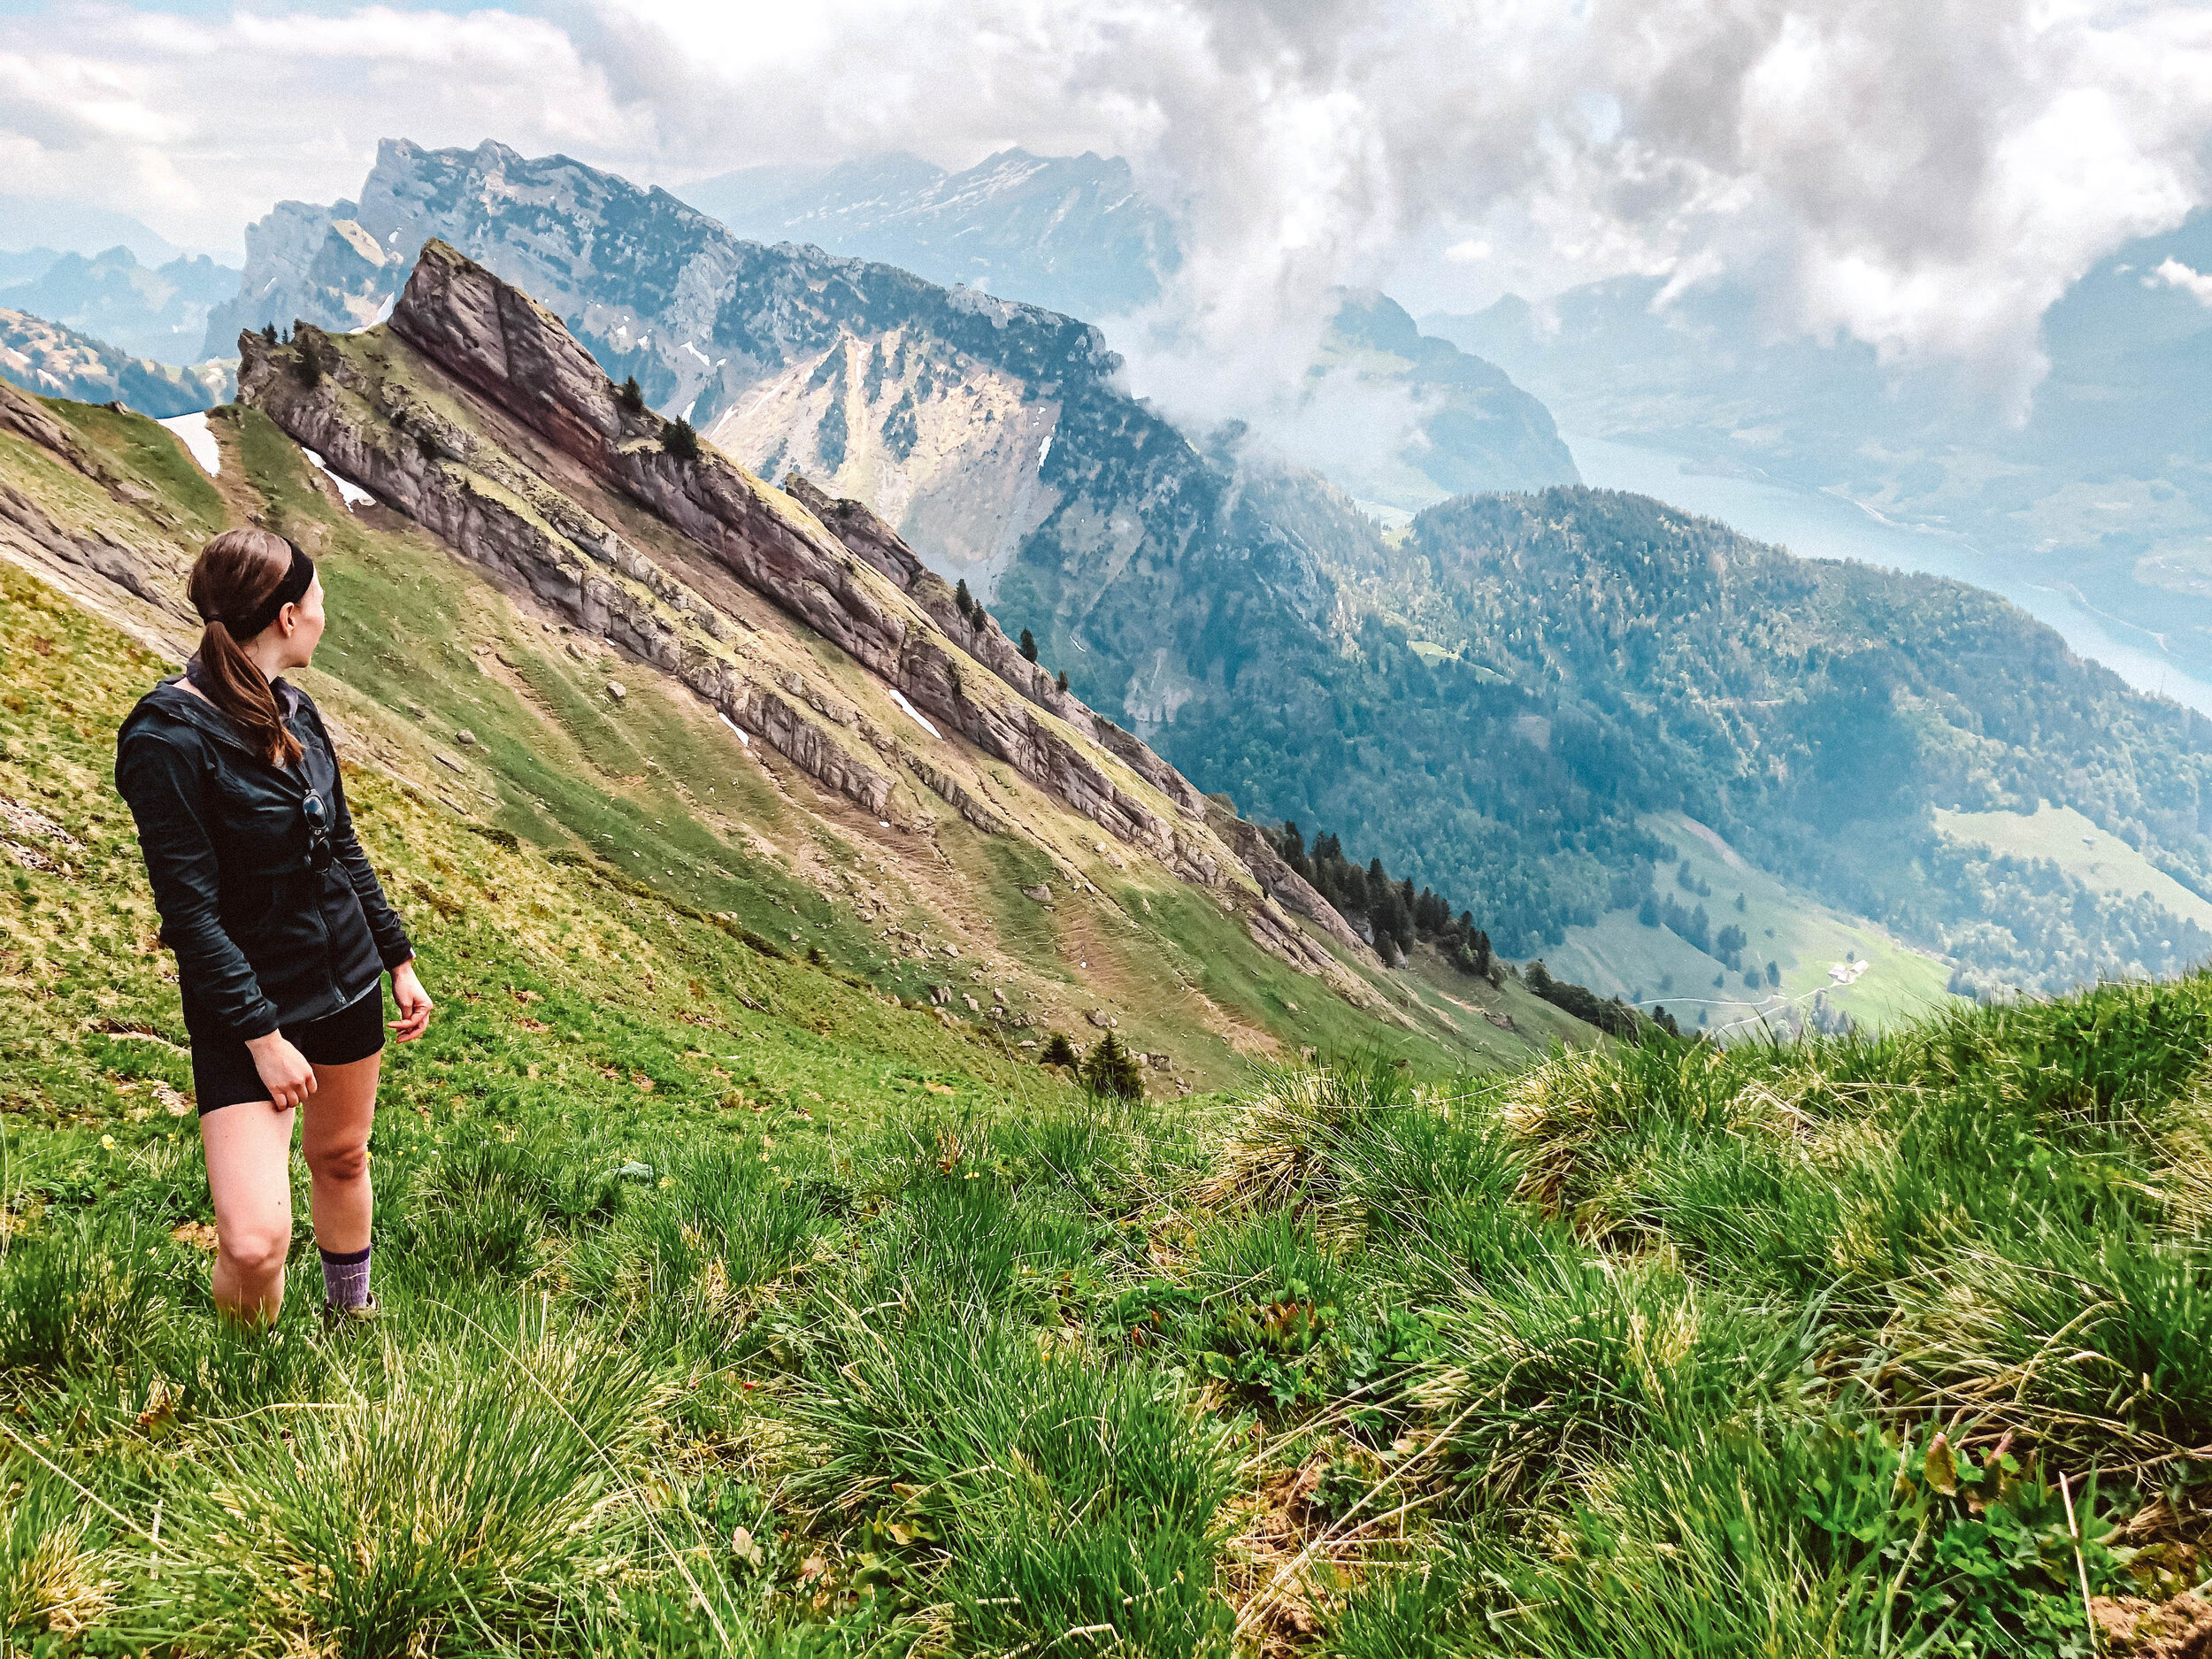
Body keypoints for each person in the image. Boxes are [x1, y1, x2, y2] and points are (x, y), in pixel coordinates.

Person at [115, 527, 432, 1326]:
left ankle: (346, 1317)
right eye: (319, 600)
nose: (327, 614)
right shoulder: (166, 739)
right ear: (287, 616)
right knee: (256, 1241)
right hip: (244, 1009)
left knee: (341, 1155)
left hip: (344, 976)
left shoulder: (296, 708)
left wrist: (397, 957)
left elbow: (342, 846)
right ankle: (246, 1382)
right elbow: (189, 913)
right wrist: (261, 1035)